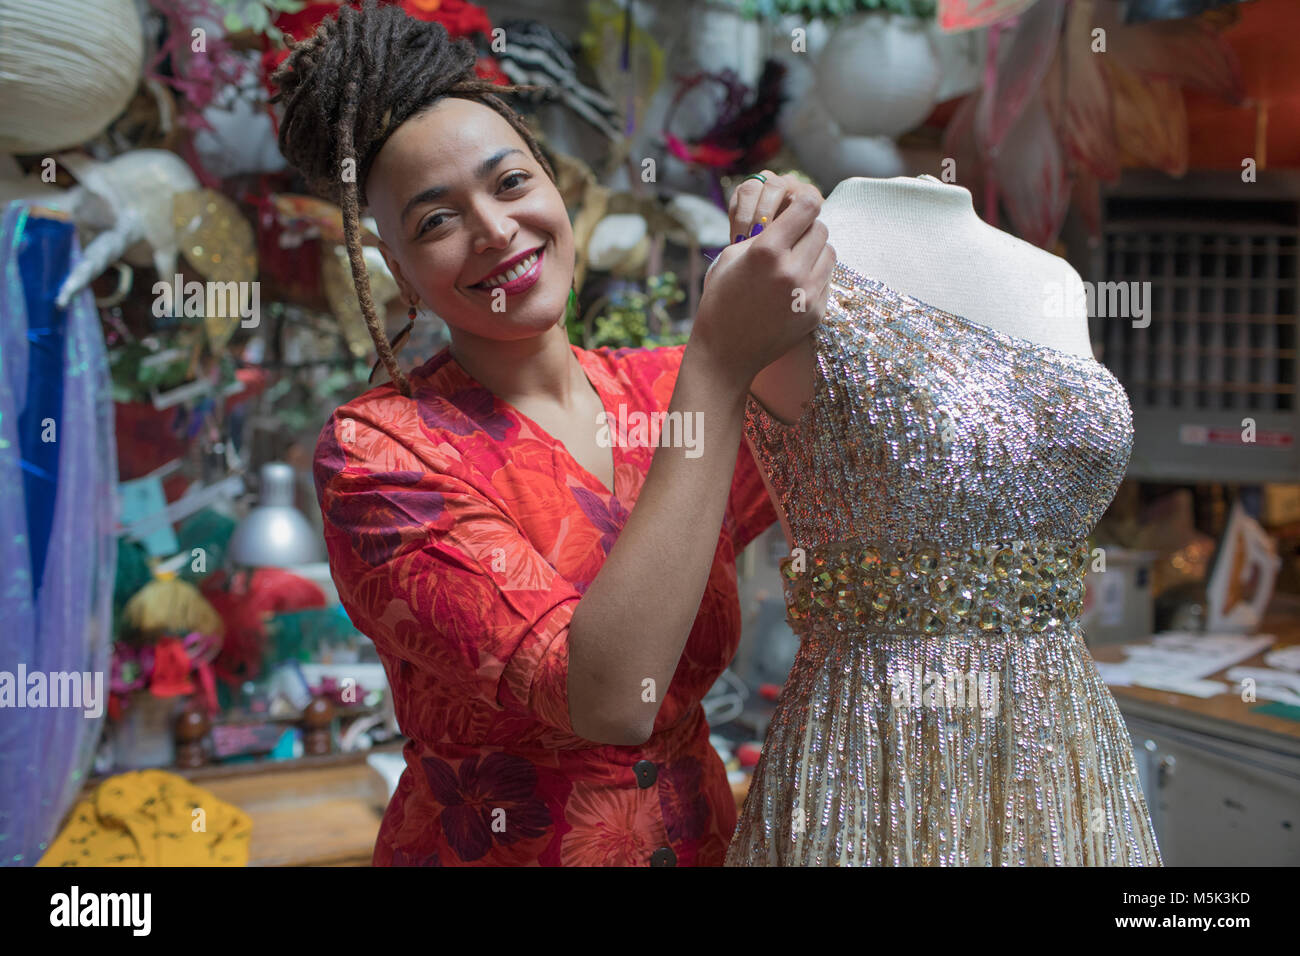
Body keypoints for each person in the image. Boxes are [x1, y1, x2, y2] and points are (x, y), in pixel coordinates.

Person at [270, 0, 835, 866]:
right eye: (435, 221)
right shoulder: (381, 455)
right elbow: (606, 696)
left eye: (510, 183)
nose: (496, 231)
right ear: (400, 273)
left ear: (556, 186)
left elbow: (843, 452)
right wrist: (720, 363)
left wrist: (798, 240)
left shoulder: (661, 386)